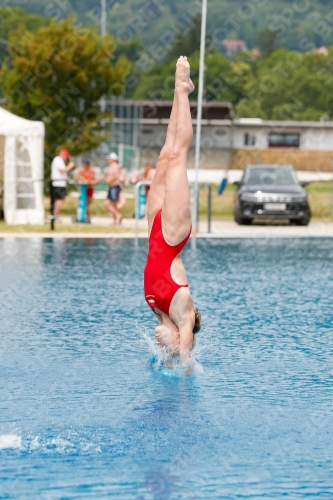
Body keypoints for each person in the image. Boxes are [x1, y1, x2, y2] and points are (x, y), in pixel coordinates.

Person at [144, 56, 201, 366]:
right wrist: (182, 362)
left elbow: (164, 346)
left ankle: (183, 90)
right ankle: (181, 88)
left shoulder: (156, 308)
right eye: (170, 343)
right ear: (180, 337)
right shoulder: (182, 309)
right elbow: (187, 362)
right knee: (179, 156)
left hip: (154, 229)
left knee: (166, 153)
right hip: (172, 235)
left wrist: (162, 359)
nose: (157, 340)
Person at [95, 152, 128, 225]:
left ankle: (116, 219)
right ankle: (117, 217)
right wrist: (95, 181)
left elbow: (116, 176)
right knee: (107, 203)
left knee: (114, 204)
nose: (107, 160)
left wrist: (109, 181)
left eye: (109, 159)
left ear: (112, 159)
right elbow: (104, 175)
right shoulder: (110, 167)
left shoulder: (116, 166)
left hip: (115, 186)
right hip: (111, 187)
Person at [51, 149, 75, 218]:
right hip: (59, 183)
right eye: (66, 156)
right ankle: (56, 215)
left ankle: (56, 215)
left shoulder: (59, 160)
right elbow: (62, 170)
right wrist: (70, 166)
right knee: (60, 199)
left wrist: (65, 178)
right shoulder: (58, 160)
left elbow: (60, 172)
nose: (66, 158)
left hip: (59, 183)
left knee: (59, 199)